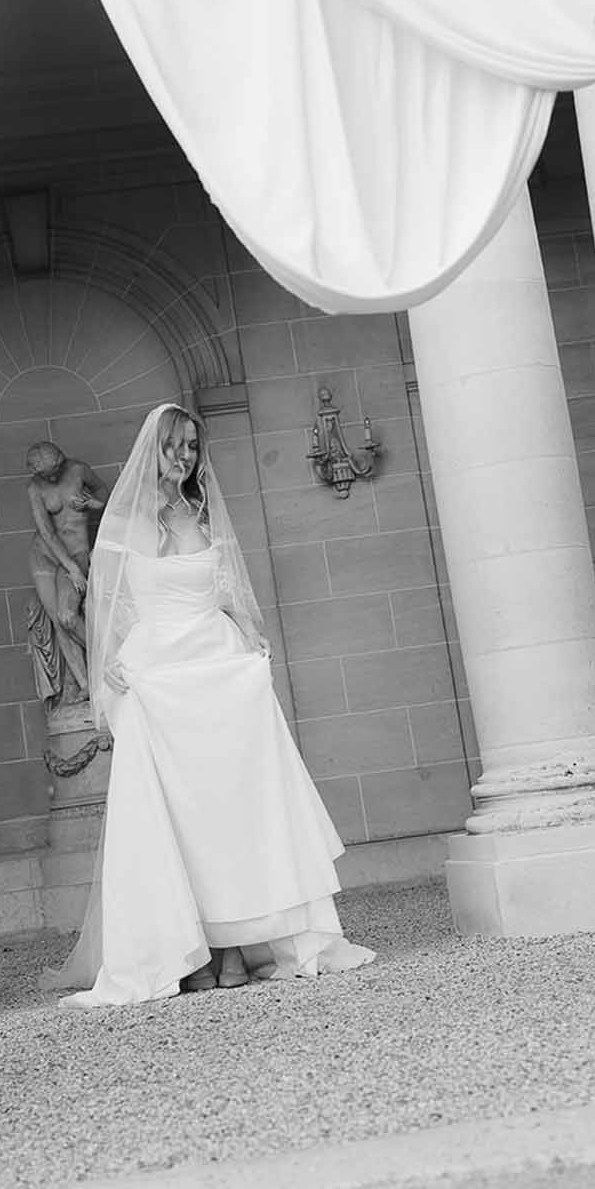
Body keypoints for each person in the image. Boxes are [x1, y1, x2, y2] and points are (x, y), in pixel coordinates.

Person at [47, 403, 375, 1007]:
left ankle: (231, 952)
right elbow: (110, 608)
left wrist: (252, 637)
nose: (187, 458)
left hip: (216, 670)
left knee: (228, 813)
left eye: (194, 448)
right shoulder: (122, 522)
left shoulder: (203, 512)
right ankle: (188, 952)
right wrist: (114, 667)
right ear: (156, 451)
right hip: (159, 676)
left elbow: (229, 595)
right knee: (177, 816)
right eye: (178, 447)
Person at [24, 441, 108, 706]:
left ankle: (106, 665)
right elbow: (47, 533)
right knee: (58, 621)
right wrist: (70, 569)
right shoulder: (35, 488)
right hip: (45, 555)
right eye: (46, 474)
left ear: (61, 461)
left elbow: (105, 491)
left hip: (77, 551)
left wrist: (95, 504)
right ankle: (85, 686)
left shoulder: (78, 470)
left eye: (55, 470)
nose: (52, 477)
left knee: (68, 616)